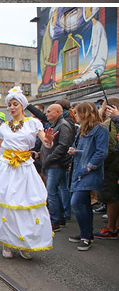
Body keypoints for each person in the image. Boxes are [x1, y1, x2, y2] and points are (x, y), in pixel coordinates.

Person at [0, 87, 57, 259]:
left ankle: (25, 243)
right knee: (7, 205)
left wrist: (50, 142)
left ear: (22, 105)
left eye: (15, 104)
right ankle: (7, 242)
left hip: (25, 168)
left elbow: (47, 143)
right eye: (9, 105)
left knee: (25, 206)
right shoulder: (4, 127)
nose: (12, 107)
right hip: (6, 168)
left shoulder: (33, 123)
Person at [68, 101, 109, 250]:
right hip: (79, 170)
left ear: (85, 113)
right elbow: (80, 148)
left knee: (77, 202)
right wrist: (73, 150)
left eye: (78, 113)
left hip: (88, 171)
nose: (75, 116)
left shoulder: (100, 129)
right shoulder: (82, 130)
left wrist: (90, 167)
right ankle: (86, 233)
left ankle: (86, 236)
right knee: (83, 203)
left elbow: (101, 152)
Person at [41, 104, 75, 232]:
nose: (47, 113)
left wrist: (49, 159)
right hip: (54, 163)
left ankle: (55, 221)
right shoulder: (55, 124)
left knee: (52, 193)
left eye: (49, 111)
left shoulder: (63, 125)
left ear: (58, 112)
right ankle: (60, 217)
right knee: (59, 190)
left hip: (56, 164)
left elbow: (63, 146)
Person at [94, 99, 119, 239]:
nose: (101, 110)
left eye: (102, 107)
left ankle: (111, 228)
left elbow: (108, 147)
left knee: (111, 198)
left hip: (111, 167)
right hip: (114, 165)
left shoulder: (109, 124)